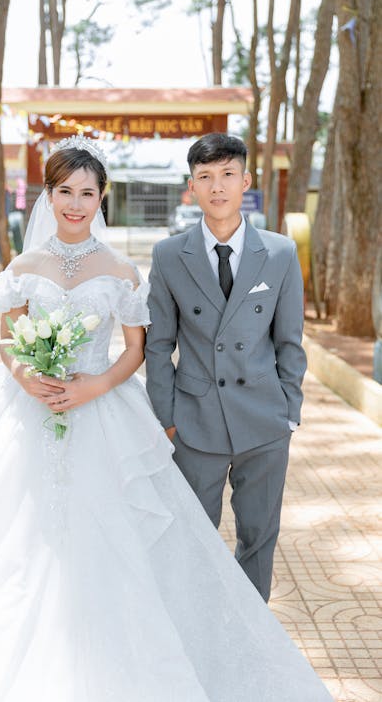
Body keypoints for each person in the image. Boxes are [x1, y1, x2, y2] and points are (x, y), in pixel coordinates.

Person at [0, 136, 332, 701]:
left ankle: (229, 638)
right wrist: (28, 379)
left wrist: (94, 385)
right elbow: (8, 342)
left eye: (87, 192)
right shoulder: (26, 265)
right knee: (17, 533)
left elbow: (139, 348)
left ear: (102, 198)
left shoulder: (121, 269)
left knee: (166, 533)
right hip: (34, 412)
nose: (76, 202)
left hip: (109, 411)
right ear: (49, 195)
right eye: (65, 191)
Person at [145, 132, 307, 603]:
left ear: (245, 182)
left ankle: (250, 640)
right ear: (191, 187)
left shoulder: (279, 253)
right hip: (195, 423)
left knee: (259, 539)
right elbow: (159, 346)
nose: (217, 187)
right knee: (191, 538)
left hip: (264, 420)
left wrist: (288, 413)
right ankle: (196, 633)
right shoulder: (169, 255)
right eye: (205, 177)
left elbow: (290, 342)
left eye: (227, 175)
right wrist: (167, 419)